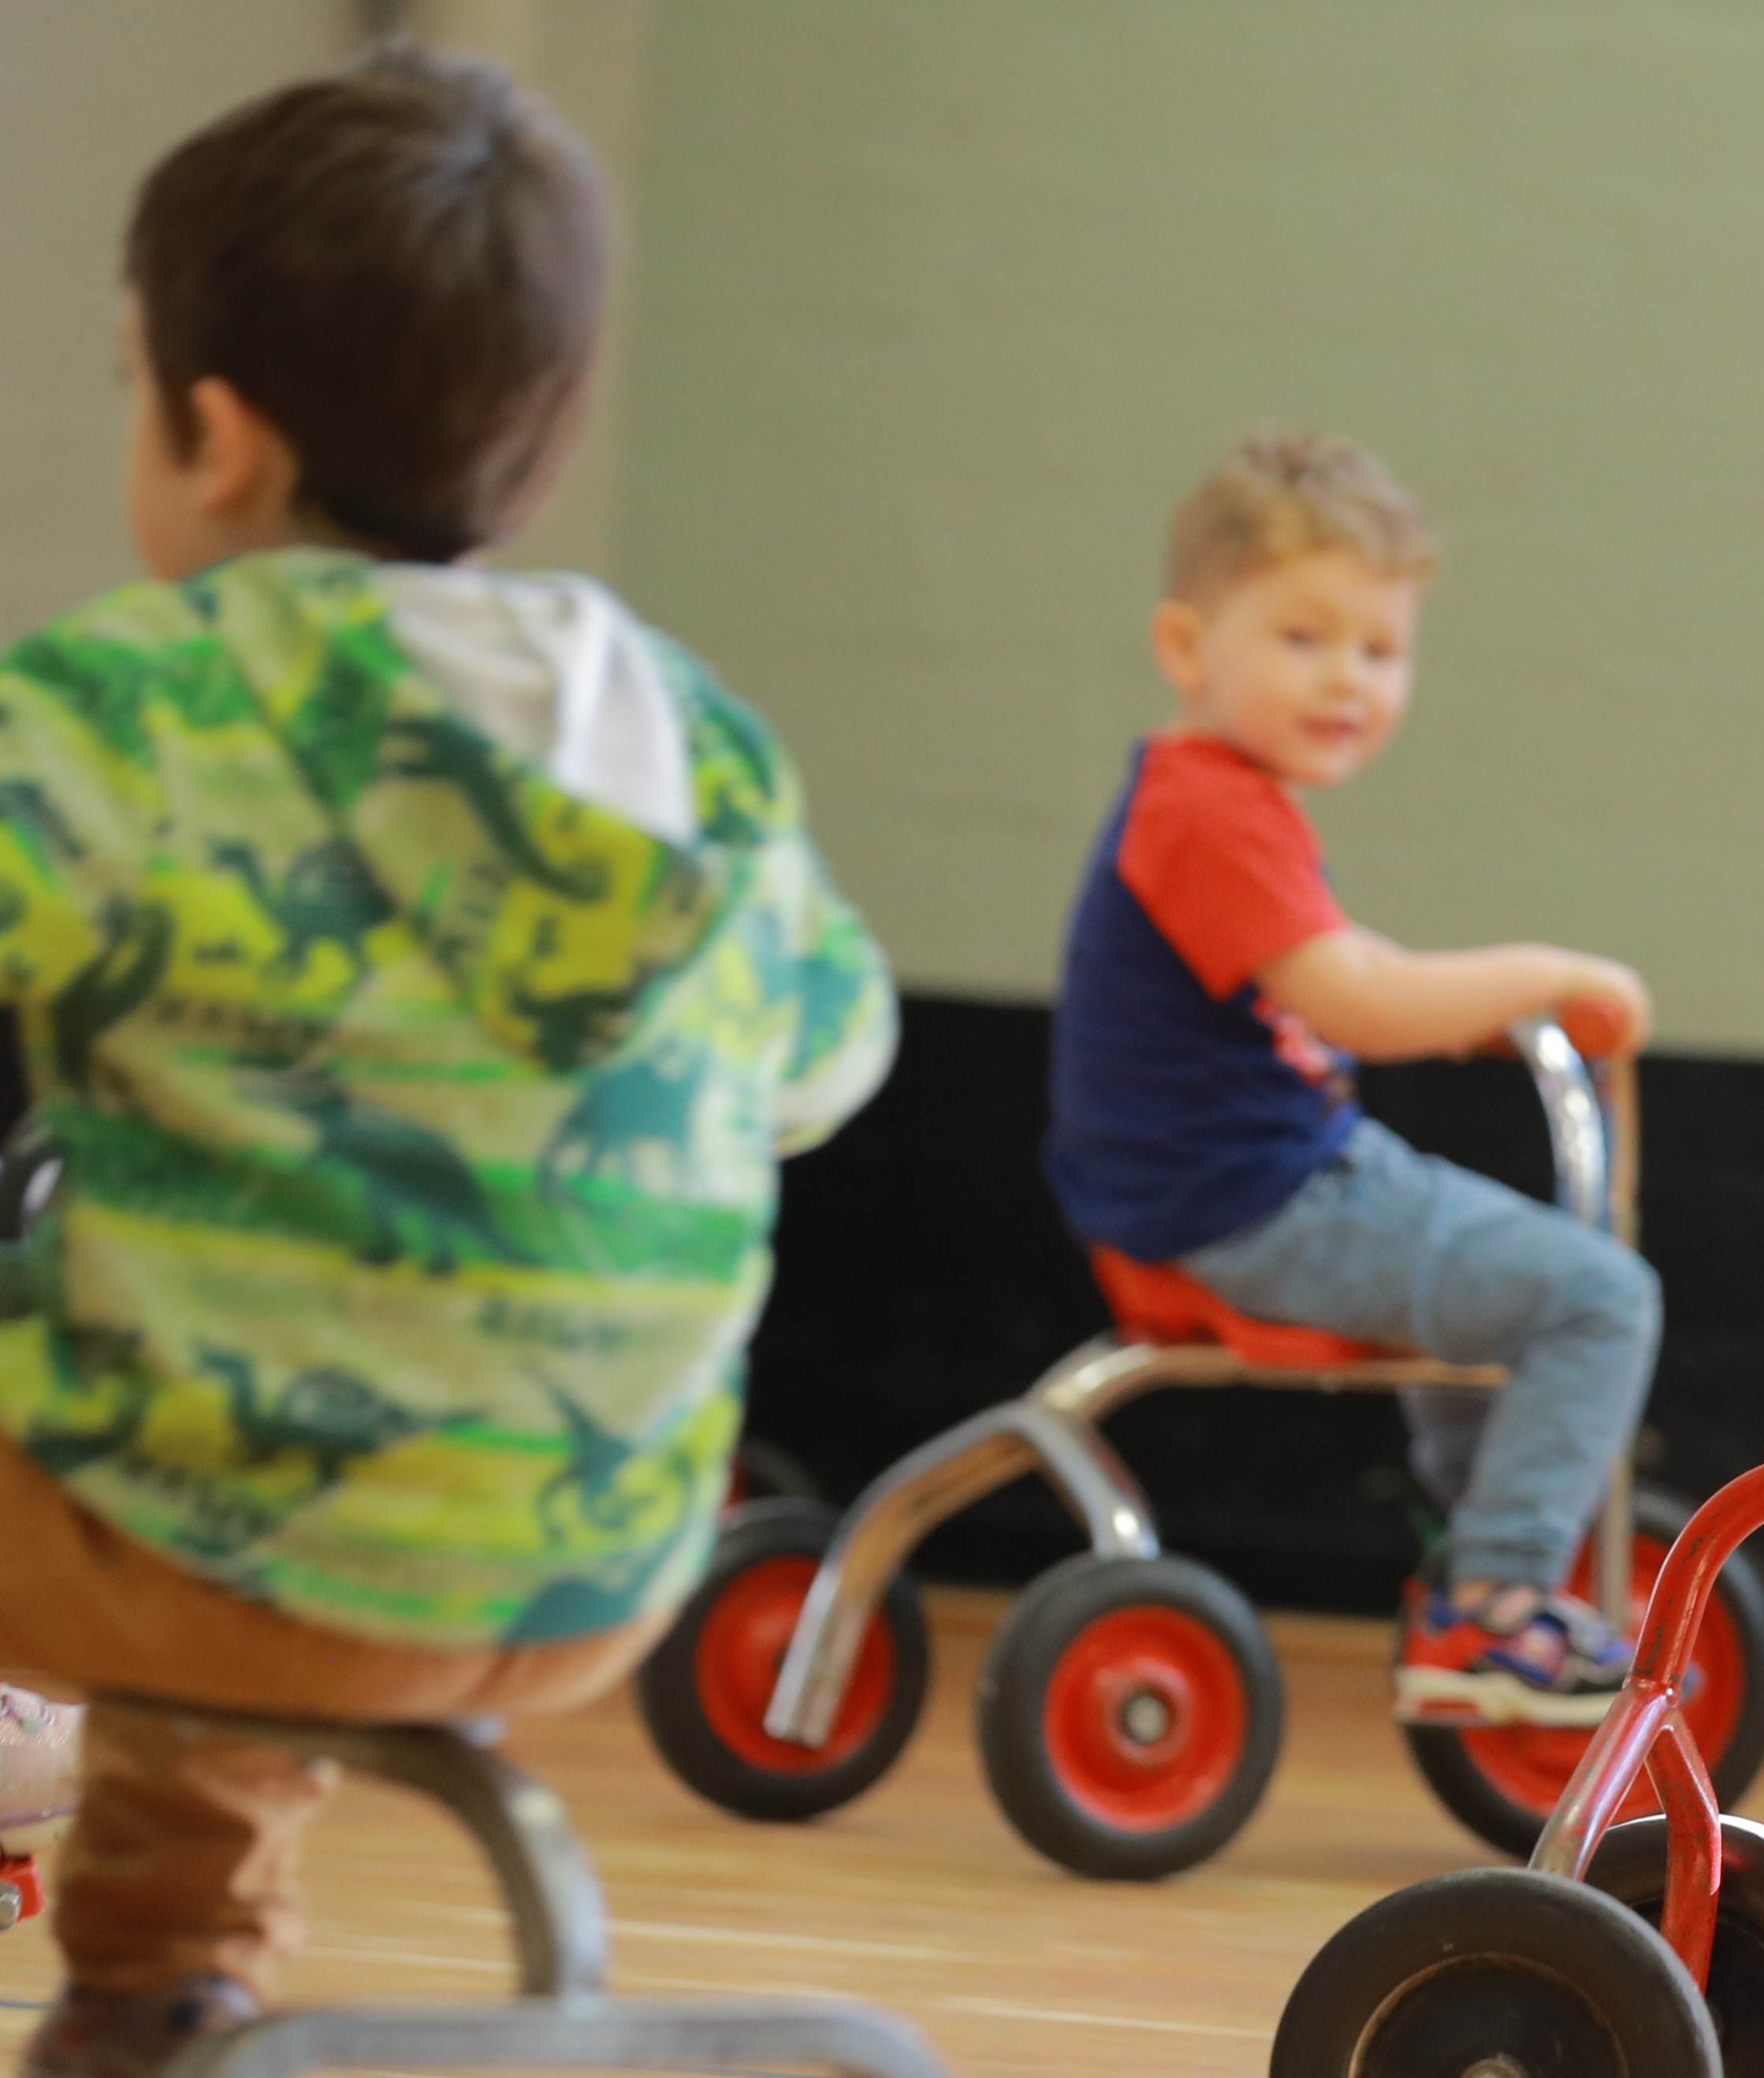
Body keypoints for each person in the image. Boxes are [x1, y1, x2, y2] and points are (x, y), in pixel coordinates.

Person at [0, 48, 894, 2076]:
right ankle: (153, 1992)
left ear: (211, 434)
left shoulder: (123, 706)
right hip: (594, 1559)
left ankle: (154, 1971)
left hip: (198, 1534)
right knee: (262, 1375)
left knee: (196, 1422)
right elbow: (826, 1057)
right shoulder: (689, 734)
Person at [1042, 433, 1661, 1725]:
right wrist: (1543, 971)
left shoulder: (1221, 798)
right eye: (1302, 639)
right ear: (1185, 647)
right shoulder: (1210, 808)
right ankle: (1492, 1603)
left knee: (1496, 1274)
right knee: (1600, 1297)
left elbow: (1342, 970)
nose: (1347, 681)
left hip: (1251, 1179)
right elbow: (1358, 1000)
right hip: (1256, 1203)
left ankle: (1467, 1539)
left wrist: (1463, 1012)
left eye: (1379, 651)